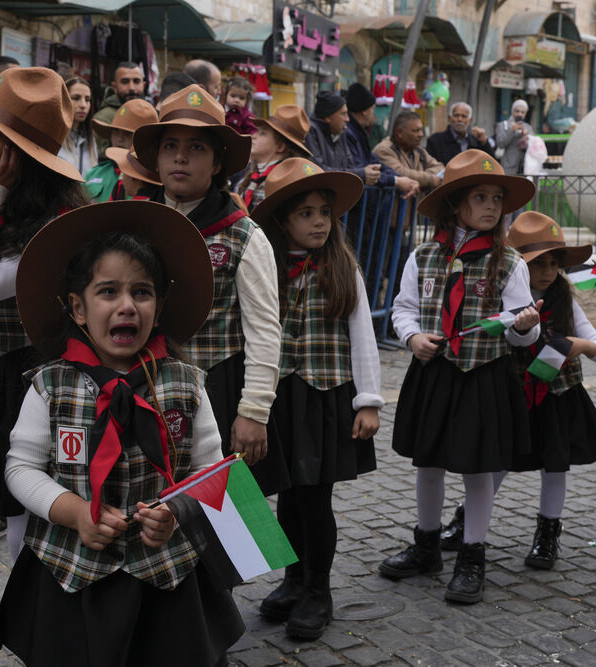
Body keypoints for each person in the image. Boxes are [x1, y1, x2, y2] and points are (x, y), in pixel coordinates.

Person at [1, 199, 244, 665]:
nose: (127, 306)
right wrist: (73, 512)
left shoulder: (186, 382)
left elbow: (214, 468)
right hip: (71, 575)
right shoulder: (50, 385)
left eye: (142, 292)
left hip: (167, 577)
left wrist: (177, 509)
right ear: (77, 306)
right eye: (108, 291)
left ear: (160, 303)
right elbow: (21, 467)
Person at [379, 150, 539, 605]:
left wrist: (526, 327)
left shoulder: (510, 264)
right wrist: (412, 339)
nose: (492, 206)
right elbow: (403, 309)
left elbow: (523, 333)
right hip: (434, 374)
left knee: (477, 469)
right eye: (480, 197)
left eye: (497, 198)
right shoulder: (423, 257)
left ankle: (472, 556)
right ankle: (426, 545)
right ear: (454, 204)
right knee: (427, 462)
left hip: (482, 376)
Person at [0, 66, 89, 550]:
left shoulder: (53, 224)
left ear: (12, 157)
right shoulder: (10, 205)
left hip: (37, 377)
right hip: (0, 370)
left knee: (31, 506)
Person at [249, 158, 382, 640]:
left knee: (315, 498)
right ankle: (293, 579)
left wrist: (368, 399)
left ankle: (319, 590)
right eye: (306, 213)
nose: (319, 221)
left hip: (325, 396)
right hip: (280, 396)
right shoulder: (265, 269)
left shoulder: (343, 268)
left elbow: (363, 335)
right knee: (287, 494)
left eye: (324, 212)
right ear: (283, 220)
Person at [132, 85, 282, 475]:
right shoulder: (135, 224)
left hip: (217, 391)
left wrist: (254, 411)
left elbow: (265, 331)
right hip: (142, 385)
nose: (180, 156)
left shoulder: (243, 234)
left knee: (220, 508)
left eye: (196, 147)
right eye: (170, 146)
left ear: (217, 163)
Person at [439, 212, 596, 568]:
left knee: (555, 466)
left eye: (554, 263)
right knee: (496, 461)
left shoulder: (564, 296)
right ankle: (466, 519)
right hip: (513, 393)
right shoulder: (503, 290)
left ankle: (547, 534)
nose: (547, 271)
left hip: (557, 396)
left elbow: (592, 340)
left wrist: (581, 346)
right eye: (538, 263)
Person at [344, 83, 419, 198]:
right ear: (364, 111)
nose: (374, 113)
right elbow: (360, 169)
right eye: (373, 108)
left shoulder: (360, 132)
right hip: (356, 204)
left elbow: (374, 161)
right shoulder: (348, 133)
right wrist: (396, 181)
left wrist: (398, 178)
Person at [237, 104, 312, 208]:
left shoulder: (282, 184)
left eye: (263, 133)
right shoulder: (252, 176)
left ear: (280, 146)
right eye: (257, 131)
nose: (253, 136)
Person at [85, 98, 158, 202]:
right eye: (116, 130)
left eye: (128, 133)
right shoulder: (94, 174)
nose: (120, 138)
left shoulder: (155, 182)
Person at [305, 90, 381, 187]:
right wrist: (361, 174)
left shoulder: (340, 132)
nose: (347, 119)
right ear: (328, 116)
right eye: (343, 114)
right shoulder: (310, 132)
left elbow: (350, 166)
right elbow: (317, 170)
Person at [373, 111, 445, 193]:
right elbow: (400, 173)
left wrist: (423, 177)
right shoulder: (383, 150)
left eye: (421, 130)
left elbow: (440, 168)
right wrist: (430, 179)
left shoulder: (418, 150)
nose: (421, 134)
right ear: (399, 132)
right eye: (416, 131)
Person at [426, 102, 495, 165]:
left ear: (470, 120)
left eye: (464, 116)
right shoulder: (435, 141)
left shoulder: (476, 141)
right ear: (449, 118)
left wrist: (484, 143)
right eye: (456, 115)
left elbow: (491, 164)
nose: (460, 119)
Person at [58, 76, 98, 177]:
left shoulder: (91, 140)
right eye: (76, 98)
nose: (83, 105)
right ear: (63, 99)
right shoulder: (53, 138)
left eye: (87, 99)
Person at [93, 61, 146, 127]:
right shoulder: (102, 120)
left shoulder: (151, 114)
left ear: (143, 85)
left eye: (136, 81)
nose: (131, 88)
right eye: (125, 82)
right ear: (114, 87)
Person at [496, 99, 533, 175]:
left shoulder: (528, 127)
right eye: (517, 111)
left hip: (525, 167)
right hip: (508, 167)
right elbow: (500, 143)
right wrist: (512, 131)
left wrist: (526, 137)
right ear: (512, 111)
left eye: (522, 112)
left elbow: (533, 147)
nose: (520, 114)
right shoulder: (503, 125)